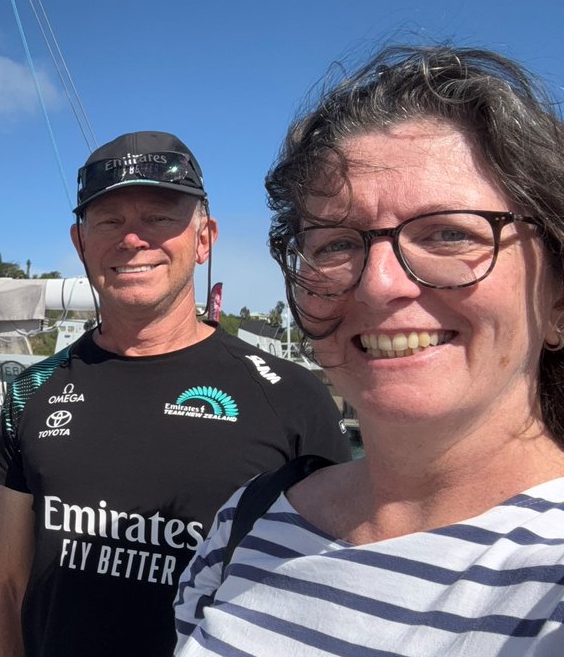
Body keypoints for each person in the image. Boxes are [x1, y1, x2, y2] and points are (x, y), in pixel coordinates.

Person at [174, 45, 564, 655]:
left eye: (450, 232)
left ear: (558, 299)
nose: (380, 284)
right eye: (335, 244)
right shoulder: (244, 526)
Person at [0, 131, 351, 656]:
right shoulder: (35, 390)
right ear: (81, 243)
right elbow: (5, 580)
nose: (132, 240)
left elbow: (334, 590)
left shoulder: (289, 396)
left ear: (203, 239)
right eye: (109, 221)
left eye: (159, 217)